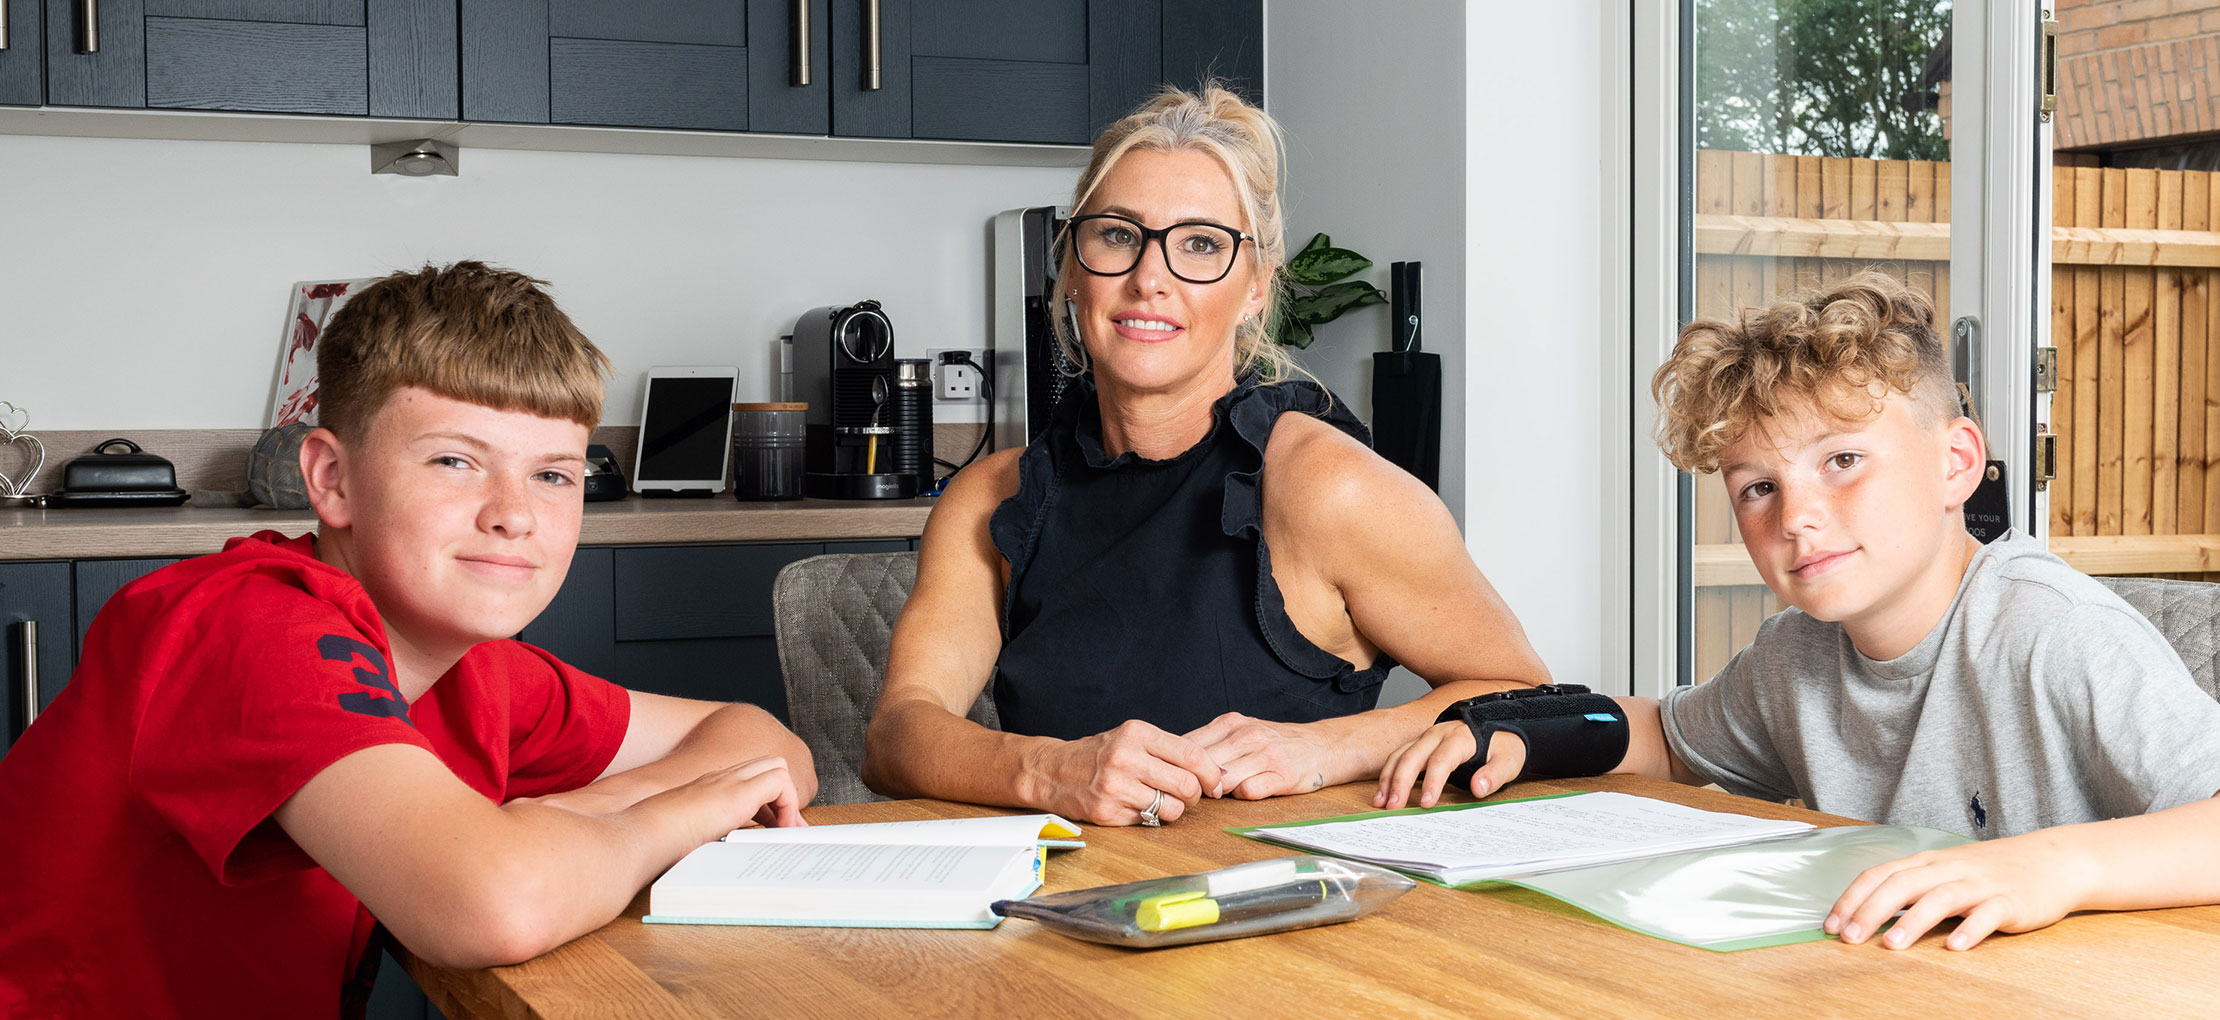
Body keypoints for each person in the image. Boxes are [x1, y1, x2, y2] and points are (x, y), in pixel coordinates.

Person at [0, 262, 817, 1018]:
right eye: (456, 461)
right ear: (331, 480)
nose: (516, 512)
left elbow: (766, 747)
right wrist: (674, 813)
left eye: (554, 474)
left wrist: (566, 818)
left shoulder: (476, 669)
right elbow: (496, 906)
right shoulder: (255, 631)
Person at [1378, 272, 2220, 951]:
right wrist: (1514, 727)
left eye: (1842, 461)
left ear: (1957, 463)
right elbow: (1666, 739)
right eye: (1757, 486)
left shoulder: (2047, 628)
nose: (1796, 515)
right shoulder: (1797, 655)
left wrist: (2048, 862)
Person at [861, 85, 1556, 827]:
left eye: (1200, 243)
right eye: (1119, 235)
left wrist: (1325, 748)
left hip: (1290, 913)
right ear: (1071, 267)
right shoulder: (990, 499)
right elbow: (896, 735)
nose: (1149, 278)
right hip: (1064, 913)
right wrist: (1050, 770)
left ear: (1255, 287)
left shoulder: (1330, 488)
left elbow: (1522, 695)